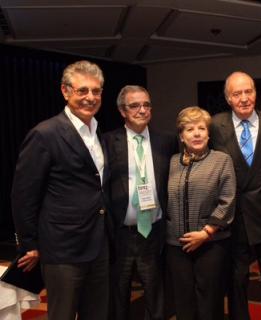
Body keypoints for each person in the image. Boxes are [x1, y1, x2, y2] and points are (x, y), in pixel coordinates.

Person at [11, 60, 110, 320]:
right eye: (82, 91)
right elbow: (23, 195)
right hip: (62, 249)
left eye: (96, 91)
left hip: (98, 245)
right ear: (65, 92)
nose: (90, 97)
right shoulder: (45, 134)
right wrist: (29, 244)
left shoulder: (99, 133)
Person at [209, 71, 261, 320]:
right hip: (234, 218)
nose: (244, 98)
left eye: (249, 91)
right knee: (236, 280)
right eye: (237, 93)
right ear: (228, 98)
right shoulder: (215, 125)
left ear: (255, 92)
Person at [104, 85, 177, 320]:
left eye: (146, 104)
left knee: (156, 295)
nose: (142, 110)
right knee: (117, 296)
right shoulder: (106, 142)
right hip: (120, 235)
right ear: (122, 111)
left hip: (153, 232)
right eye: (135, 105)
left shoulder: (165, 141)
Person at [166, 106, 236, 320]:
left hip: (211, 244)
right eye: (189, 129)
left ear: (208, 133)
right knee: (183, 302)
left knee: (209, 302)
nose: (196, 133)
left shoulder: (221, 160)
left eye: (201, 128)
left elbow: (228, 200)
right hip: (176, 245)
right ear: (181, 136)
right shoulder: (172, 162)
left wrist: (206, 233)